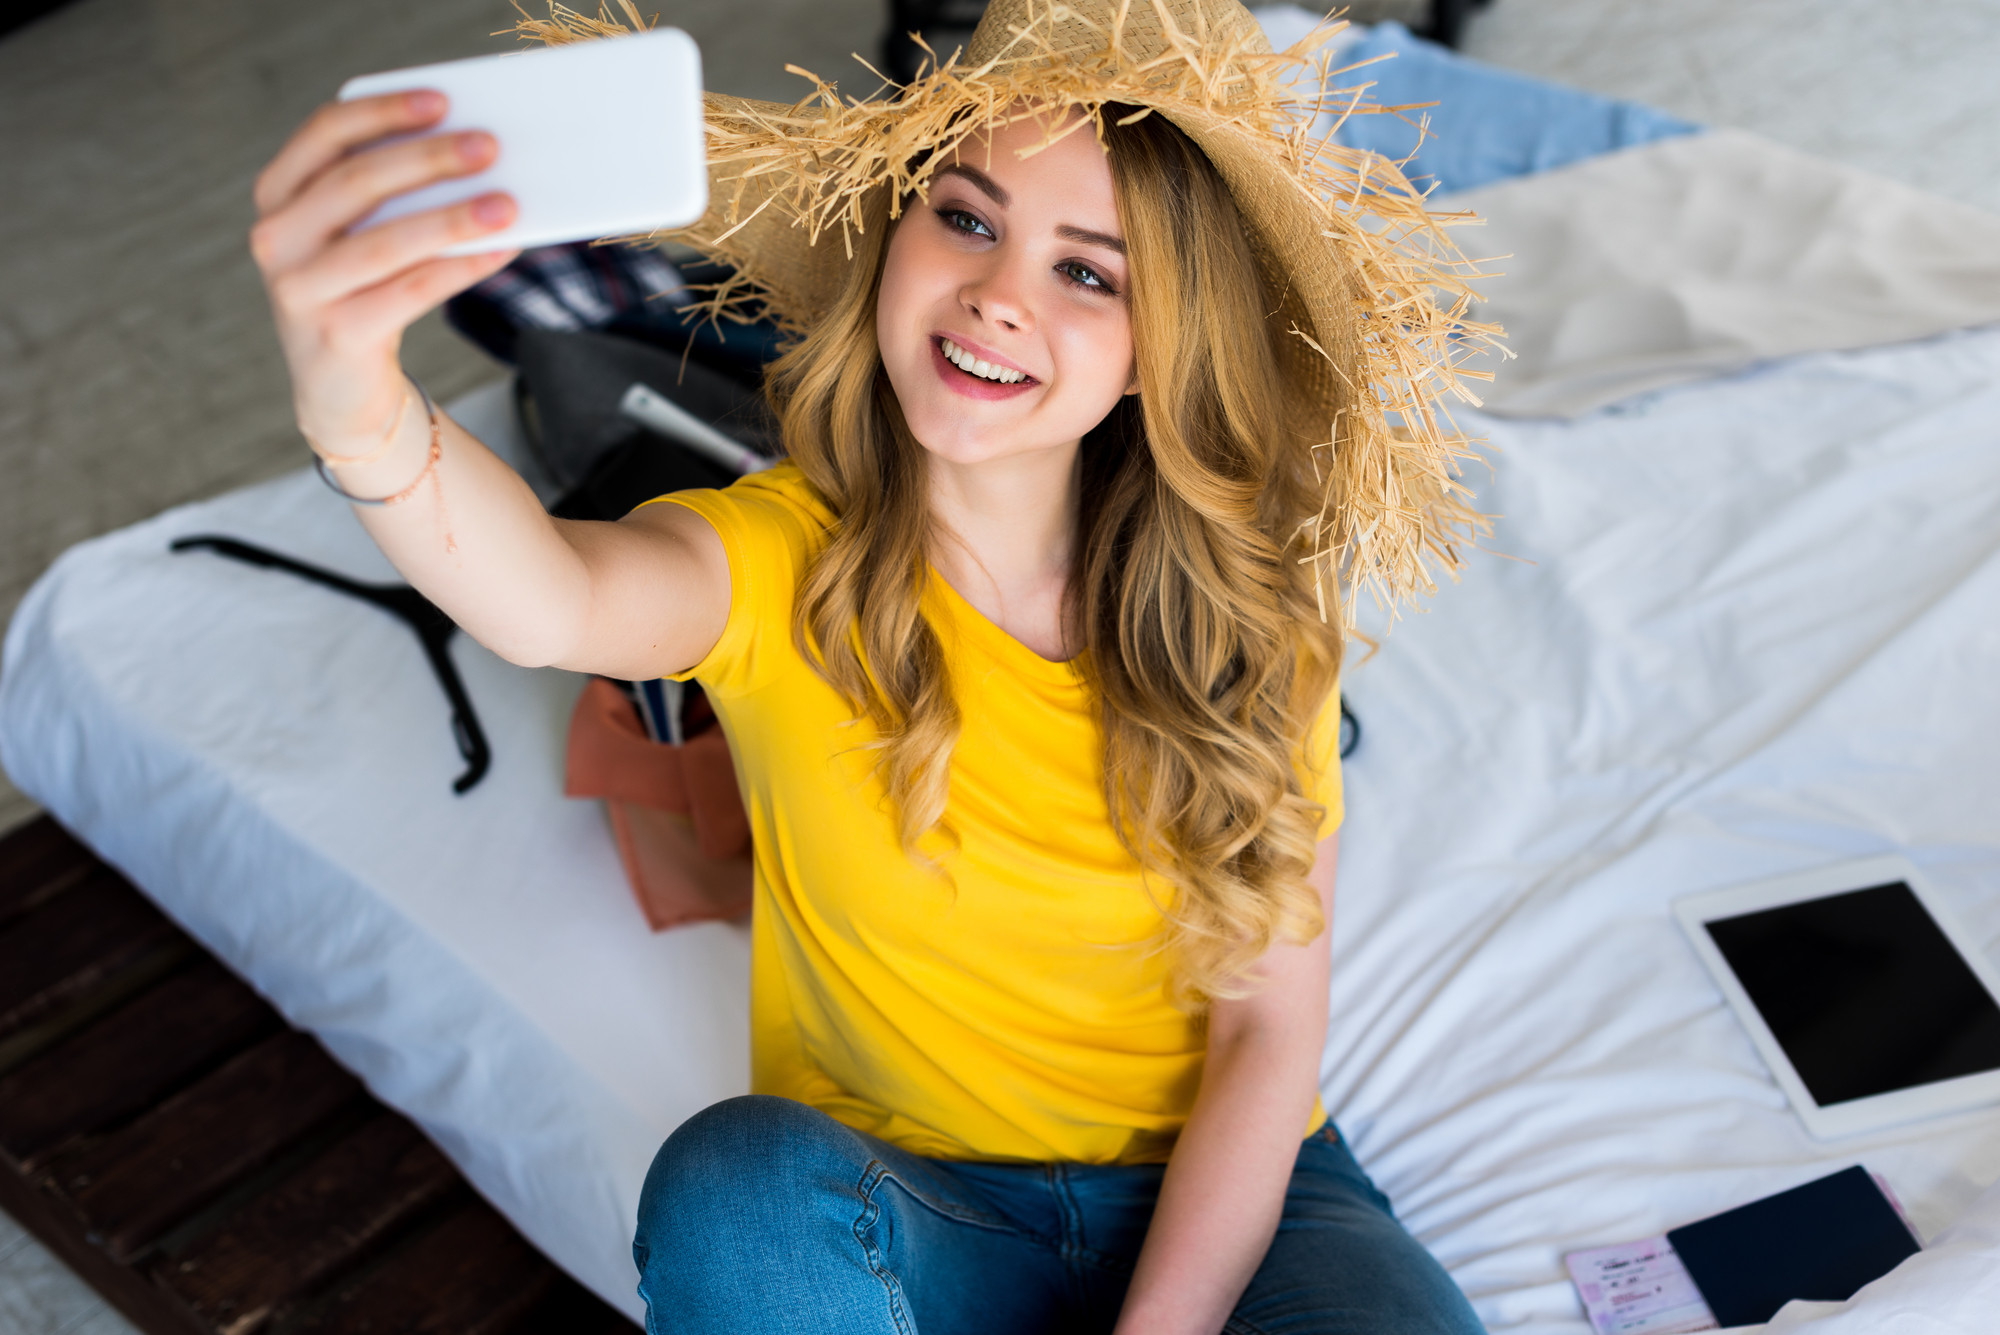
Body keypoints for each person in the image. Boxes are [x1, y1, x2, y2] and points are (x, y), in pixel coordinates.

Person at [247, 1, 1493, 1330]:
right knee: (736, 1186)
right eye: (966, 217)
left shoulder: (1255, 612)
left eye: (1089, 273)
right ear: (893, 240)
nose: (997, 295)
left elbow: (1263, 1033)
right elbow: (549, 601)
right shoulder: (782, 562)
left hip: (1245, 1210)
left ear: (1156, 357)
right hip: (909, 1205)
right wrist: (358, 402)